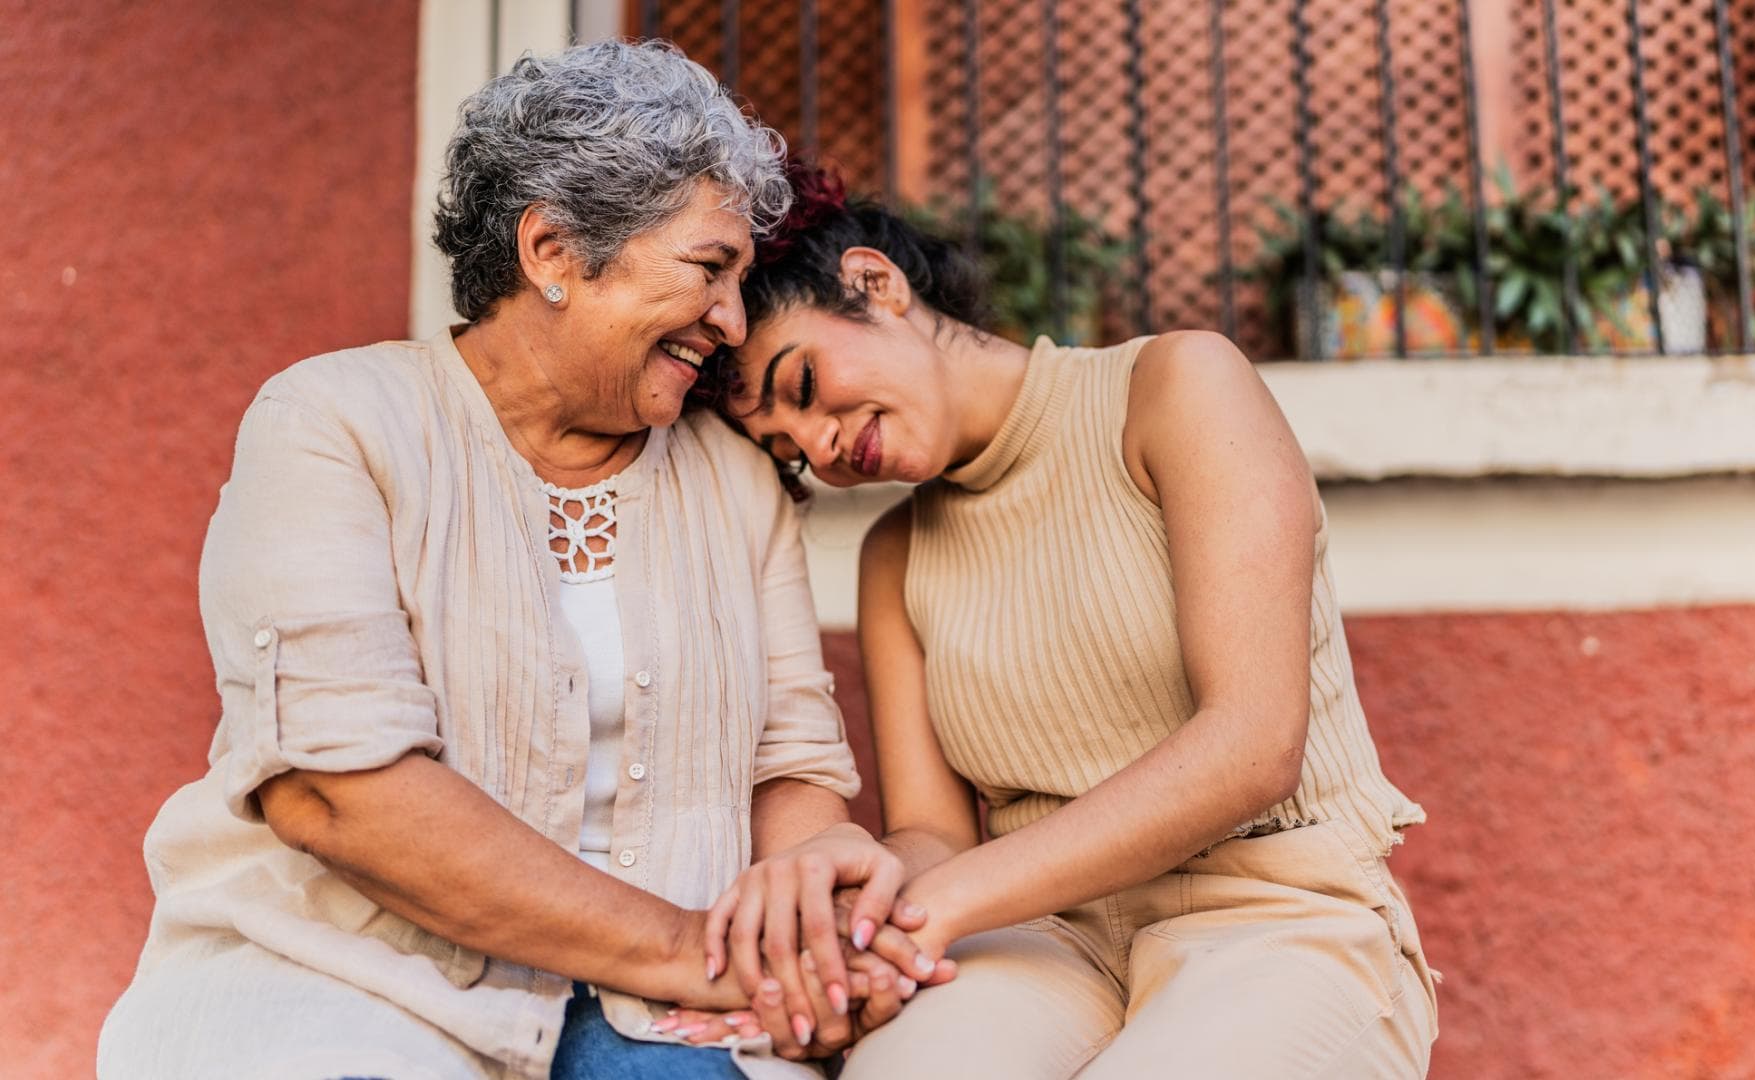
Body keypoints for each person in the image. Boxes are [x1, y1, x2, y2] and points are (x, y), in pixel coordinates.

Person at [97, 44, 935, 1080]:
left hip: (662, 1010)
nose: (731, 322)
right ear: (553, 251)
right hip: (355, 982)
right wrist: (687, 950)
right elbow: (339, 792)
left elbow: (792, 766)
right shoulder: (334, 424)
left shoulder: (730, 478)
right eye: (709, 270)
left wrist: (808, 901)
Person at [699, 166, 1440, 1078]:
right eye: (783, 446)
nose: (815, 445)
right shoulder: (894, 557)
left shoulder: (1174, 387)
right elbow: (935, 834)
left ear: (874, 284)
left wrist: (929, 909)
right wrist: (858, 915)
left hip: (1280, 914)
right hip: (1040, 942)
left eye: (803, 384)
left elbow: (1252, 745)